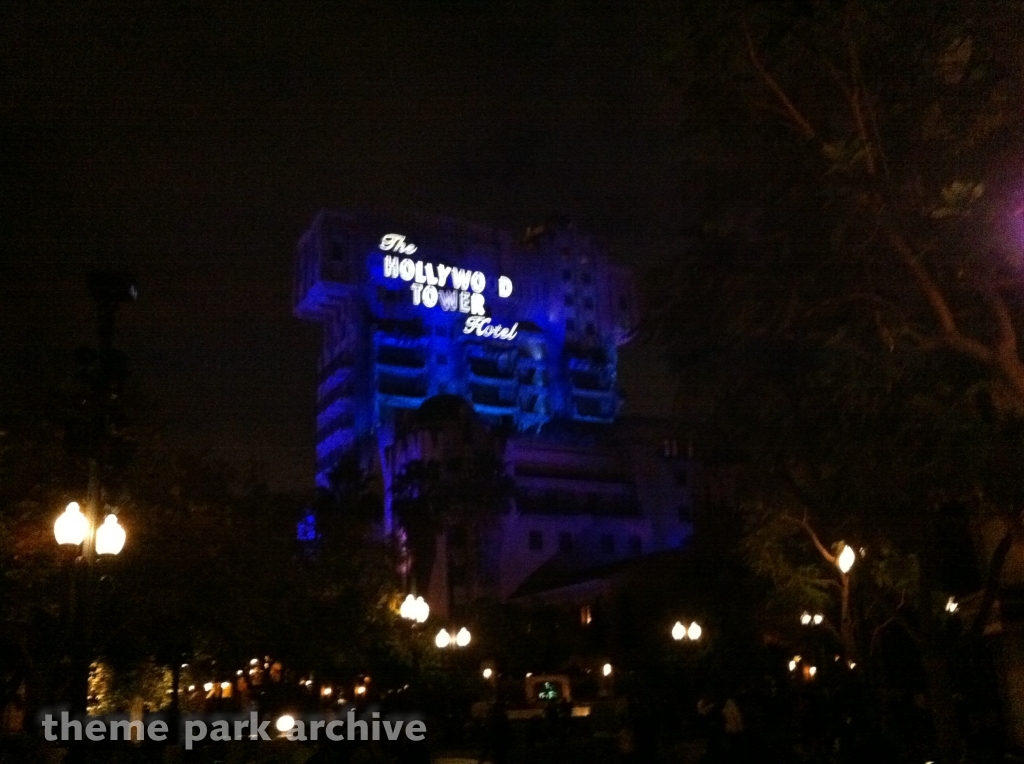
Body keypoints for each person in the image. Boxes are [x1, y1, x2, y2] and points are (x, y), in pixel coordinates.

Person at [478, 698, 511, 764]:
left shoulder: (494, 715)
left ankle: (482, 760)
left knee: (494, 753)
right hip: (502, 737)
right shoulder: (503, 716)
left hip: (494, 736)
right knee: (500, 754)